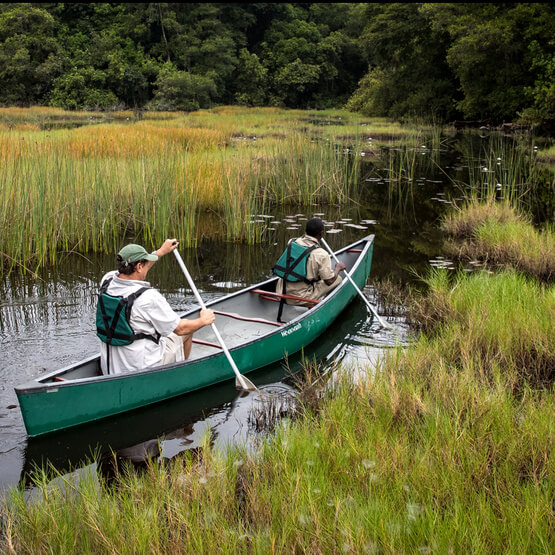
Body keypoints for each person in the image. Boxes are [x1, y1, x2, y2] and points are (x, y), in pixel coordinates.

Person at [96, 239, 215, 375]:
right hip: (143, 369)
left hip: (110, 368)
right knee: (188, 331)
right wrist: (203, 320)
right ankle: (180, 375)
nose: (147, 266)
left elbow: (138, 267)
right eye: (145, 263)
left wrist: (160, 252)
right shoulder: (148, 298)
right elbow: (181, 329)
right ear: (139, 266)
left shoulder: (107, 281)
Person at [274, 217, 346, 307]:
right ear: (321, 233)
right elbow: (329, 281)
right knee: (337, 279)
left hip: (280, 293)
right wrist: (337, 268)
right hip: (299, 298)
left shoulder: (291, 242)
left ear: (306, 231)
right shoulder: (322, 254)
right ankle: (323, 303)